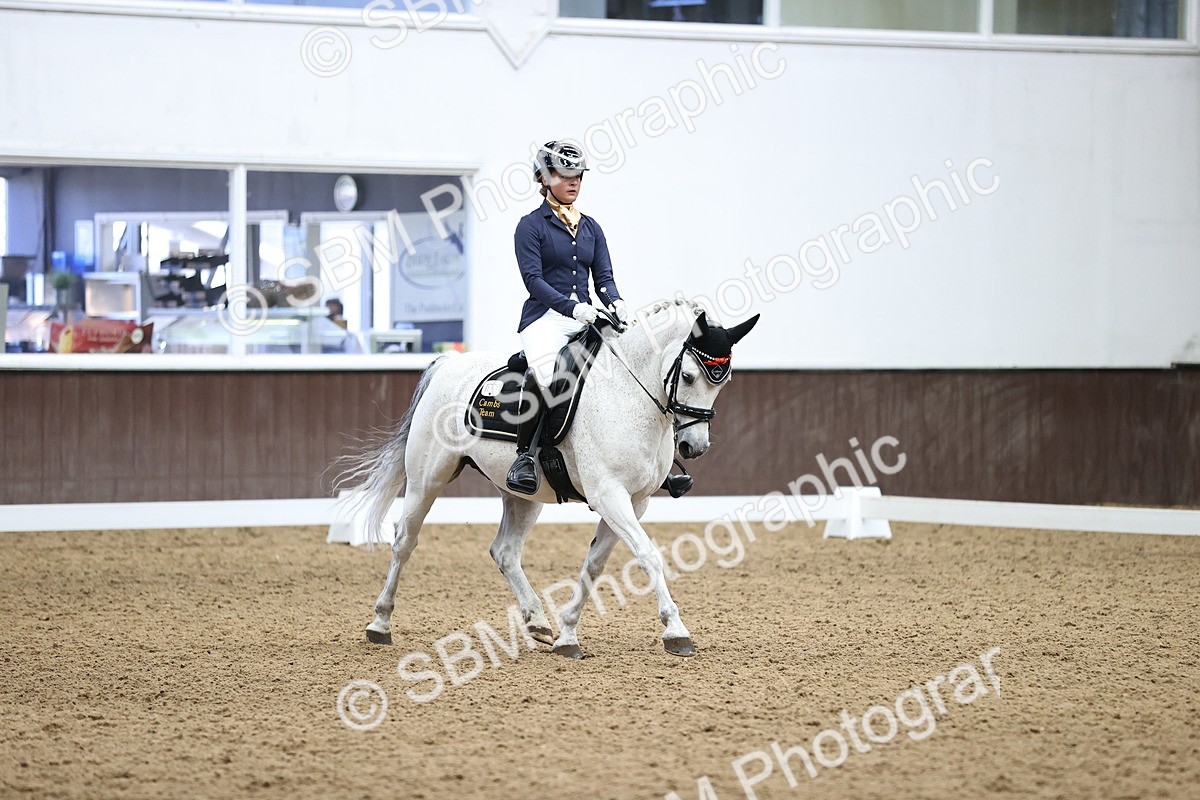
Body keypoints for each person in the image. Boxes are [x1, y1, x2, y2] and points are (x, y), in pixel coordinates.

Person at [505, 140, 629, 495]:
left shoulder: (591, 227)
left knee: (627, 364)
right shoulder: (530, 226)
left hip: (587, 314)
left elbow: (603, 277)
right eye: (564, 174)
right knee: (546, 374)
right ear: (544, 178)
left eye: (578, 175)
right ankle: (524, 456)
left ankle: (635, 457)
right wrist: (571, 307)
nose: (573, 181)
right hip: (545, 318)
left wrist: (616, 302)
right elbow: (534, 281)